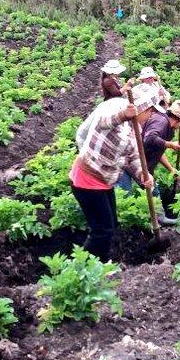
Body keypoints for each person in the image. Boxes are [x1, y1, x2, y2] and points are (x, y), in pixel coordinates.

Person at [71, 83, 159, 260]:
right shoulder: (116, 107)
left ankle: (101, 262)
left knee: (111, 225)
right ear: (142, 108)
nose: (150, 116)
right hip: (88, 178)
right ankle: (82, 268)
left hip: (105, 181)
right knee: (102, 230)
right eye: (150, 111)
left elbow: (134, 156)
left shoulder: (136, 129)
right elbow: (102, 122)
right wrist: (122, 115)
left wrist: (143, 174)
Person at [139, 99, 180, 226]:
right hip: (132, 162)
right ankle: (156, 221)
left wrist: (171, 169)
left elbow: (158, 151)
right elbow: (149, 139)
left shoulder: (166, 126)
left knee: (152, 190)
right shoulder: (161, 122)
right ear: (178, 119)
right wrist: (170, 145)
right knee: (127, 192)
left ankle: (158, 218)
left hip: (145, 163)